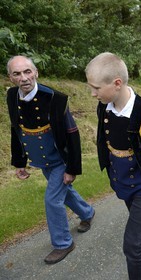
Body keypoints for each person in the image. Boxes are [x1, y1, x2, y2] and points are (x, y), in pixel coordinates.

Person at [85, 52, 141, 279]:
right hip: (123, 180)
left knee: (132, 244)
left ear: (117, 84)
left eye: (95, 88)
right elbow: (104, 141)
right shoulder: (105, 107)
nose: (92, 93)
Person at [6, 55, 95, 264]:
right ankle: (87, 212)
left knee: (52, 200)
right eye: (17, 74)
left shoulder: (56, 98)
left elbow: (72, 134)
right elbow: (16, 130)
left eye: (27, 71)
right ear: (10, 78)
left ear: (36, 72)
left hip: (60, 159)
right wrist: (19, 162)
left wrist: (72, 168)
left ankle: (64, 243)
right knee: (64, 192)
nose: (24, 78)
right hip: (40, 159)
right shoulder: (11, 96)